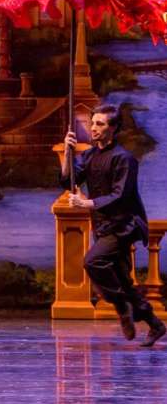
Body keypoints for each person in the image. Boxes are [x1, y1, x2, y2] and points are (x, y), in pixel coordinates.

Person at [62, 103, 165, 347]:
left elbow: (120, 196)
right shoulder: (89, 155)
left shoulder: (124, 159)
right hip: (102, 224)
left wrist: (86, 203)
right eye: (92, 123)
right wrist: (67, 153)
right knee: (123, 280)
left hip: (124, 225)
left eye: (99, 124)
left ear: (113, 128)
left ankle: (121, 307)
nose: (93, 128)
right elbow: (68, 181)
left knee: (92, 261)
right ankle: (155, 325)